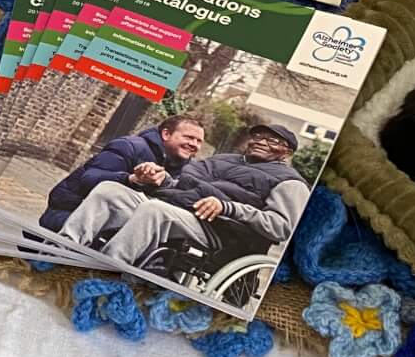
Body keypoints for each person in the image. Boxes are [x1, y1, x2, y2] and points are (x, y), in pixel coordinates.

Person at [58, 124, 310, 273]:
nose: (261, 142)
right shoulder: (222, 159)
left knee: (155, 210)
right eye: (257, 137)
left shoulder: (290, 182)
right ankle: (62, 248)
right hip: (177, 205)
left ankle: (105, 267)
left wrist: (229, 208)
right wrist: (161, 179)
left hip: (218, 229)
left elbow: (281, 227)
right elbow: (186, 184)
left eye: (272, 140)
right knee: (110, 190)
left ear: (286, 152)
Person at [40, 114, 205, 233]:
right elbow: (89, 180)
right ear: (166, 134)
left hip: (122, 225)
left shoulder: (188, 170)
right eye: (189, 137)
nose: (194, 144)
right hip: (73, 214)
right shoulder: (129, 146)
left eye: (199, 141)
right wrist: (132, 179)